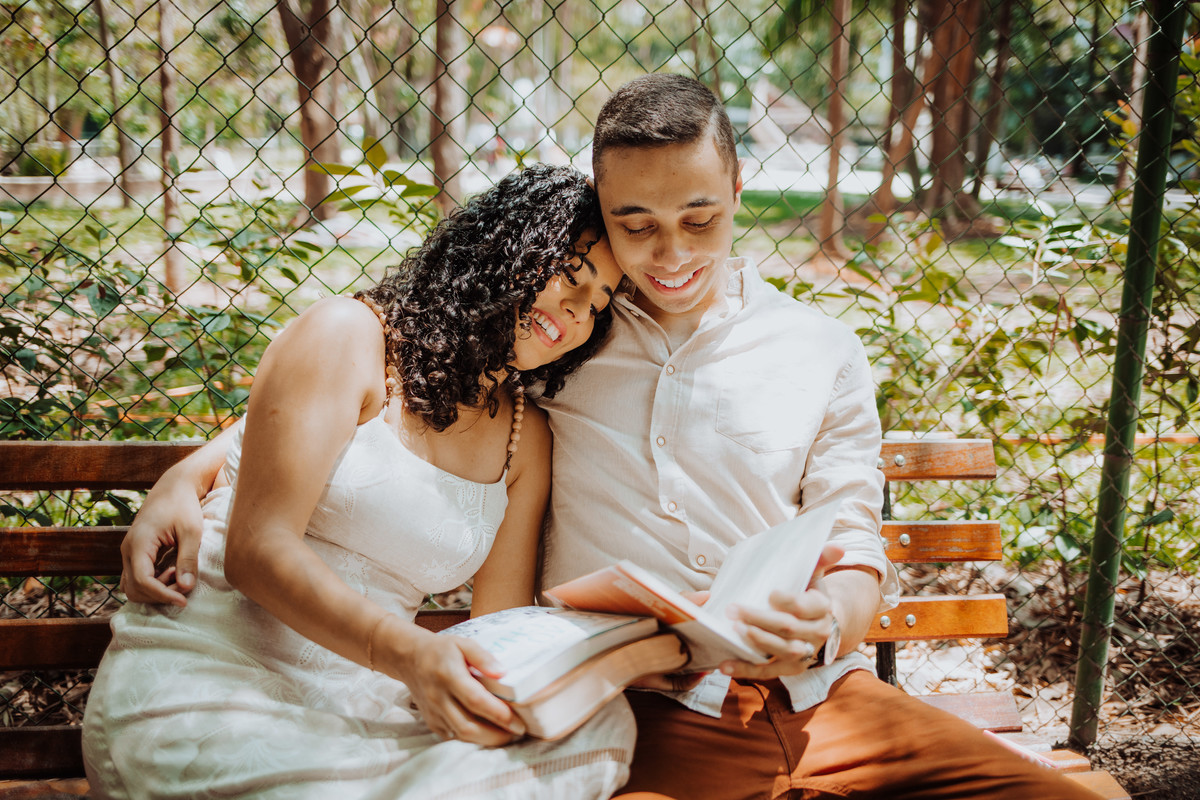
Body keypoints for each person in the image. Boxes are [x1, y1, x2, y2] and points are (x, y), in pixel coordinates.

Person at [119, 77, 1103, 800]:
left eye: (700, 219)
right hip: (645, 707)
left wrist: (832, 615)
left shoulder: (817, 348)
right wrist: (195, 467)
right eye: (633, 226)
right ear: (594, 216)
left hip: (815, 693)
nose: (669, 255)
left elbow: (852, 533)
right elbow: (372, 383)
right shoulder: (564, 344)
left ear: (738, 188)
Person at [82, 164, 635, 800]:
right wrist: (412, 658)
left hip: (367, 707)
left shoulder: (523, 439)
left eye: (598, 303)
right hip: (213, 684)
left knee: (599, 728)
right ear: (506, 244)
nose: (577, 307)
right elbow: (256, 550)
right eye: (570, 272)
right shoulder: (349, 336)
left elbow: (498, 630)